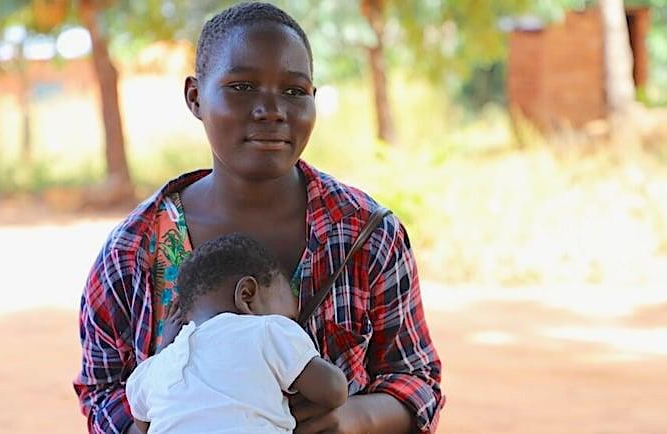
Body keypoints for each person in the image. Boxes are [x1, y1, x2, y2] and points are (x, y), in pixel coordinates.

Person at [74, 2, 443, 434]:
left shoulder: (367, 235)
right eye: (243, 86)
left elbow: (418, 382)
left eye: (294, 91)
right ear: (195, 96)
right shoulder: (133, 252)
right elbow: (101, 394)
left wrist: (353, 418)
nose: (271, 109)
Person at [125, 233, 348, 434]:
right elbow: (334, 390)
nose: (292, 325)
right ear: (247, 295)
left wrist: (164, 349)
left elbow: (143, 424)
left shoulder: (151, 370)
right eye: (290, 318)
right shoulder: (268, 331)